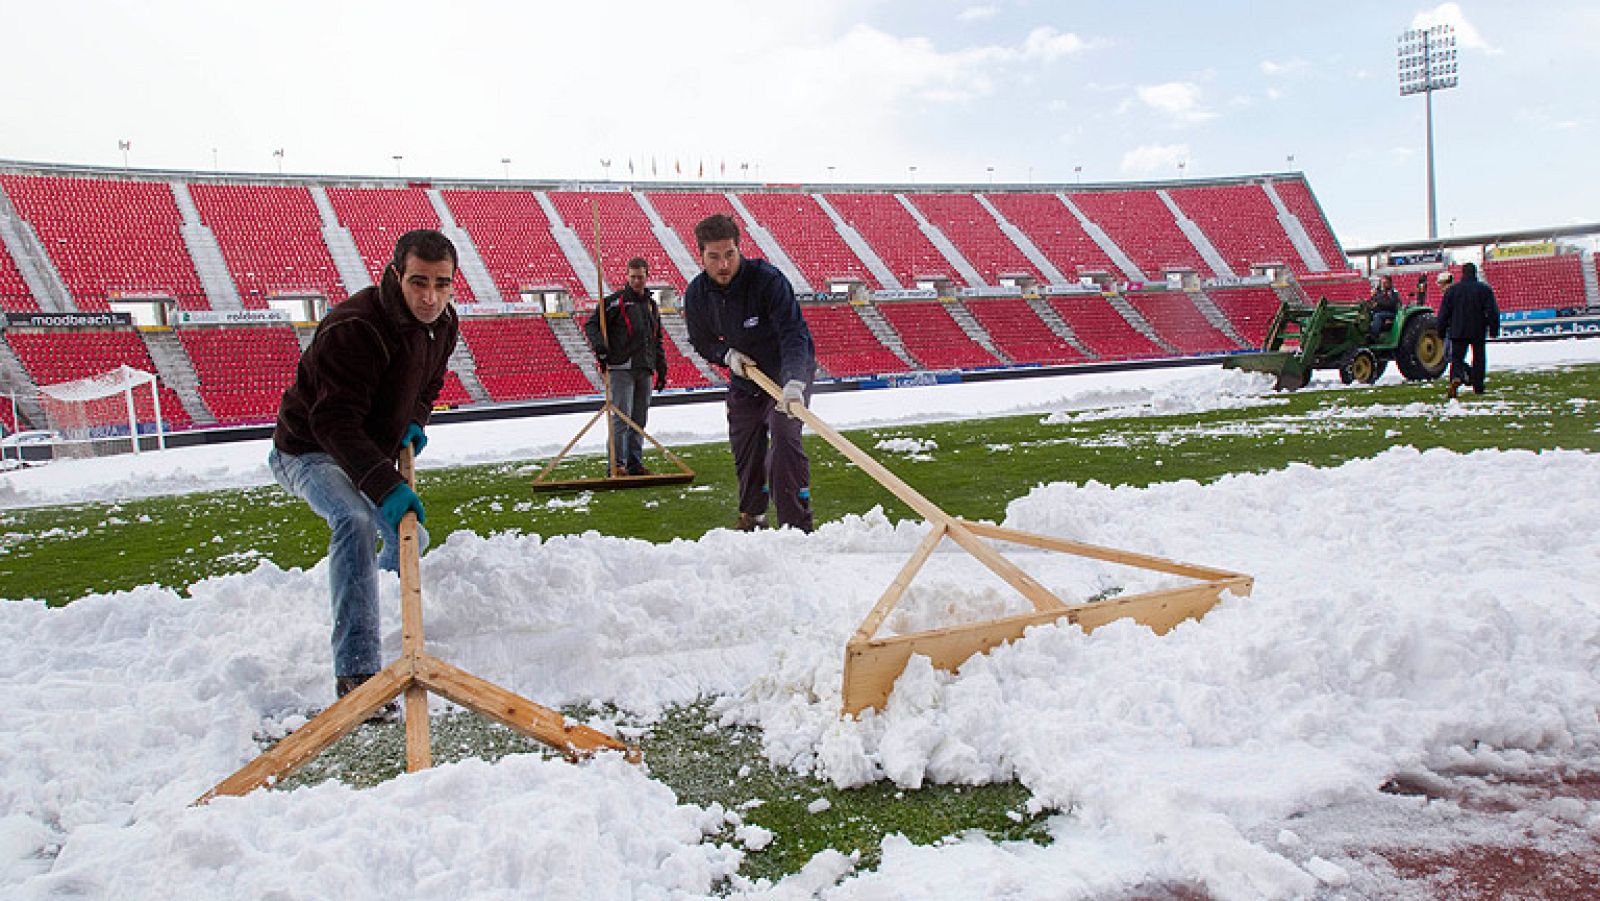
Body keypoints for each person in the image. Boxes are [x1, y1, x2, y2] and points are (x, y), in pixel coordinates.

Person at [268, 229, 460, 715]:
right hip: (309, 450)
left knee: (408, 538)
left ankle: (367, 592)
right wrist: (384, 483)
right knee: (353, 520)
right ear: (396, 274)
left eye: (441, 284)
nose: (429, 297)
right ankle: (356, 673)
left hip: (368, 449)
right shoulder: (354, 328)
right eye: (419, 282)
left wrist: (415, 419)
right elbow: (330, 420)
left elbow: (428, 382)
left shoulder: (444, 324)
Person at [683, 213, 817, 532]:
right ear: (700, 255)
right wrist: (725, 355)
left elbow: (794, 333)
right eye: (714, 257)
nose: (724, 265)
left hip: (787, 377)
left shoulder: (767, 280)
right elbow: (701, 340)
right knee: (746, 448)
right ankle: (753, 516)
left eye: (730, 254)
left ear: (739, 248)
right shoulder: (697, 295)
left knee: (784, 441)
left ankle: (796, 526)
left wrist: (795, 382)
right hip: (745, 380)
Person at [584, 257, 669, 476]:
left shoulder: (651, 305)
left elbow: (656, 339)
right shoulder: (615, 301)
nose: (636, 281)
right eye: (632, 277)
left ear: (646, 276)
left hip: (645, 367)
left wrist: (661, 368)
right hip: (621, 367)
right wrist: (601, 349)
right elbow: (592, 324)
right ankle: (616, 464)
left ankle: (634, 463)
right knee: (621, 417)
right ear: (627, 276)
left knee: (639, 419)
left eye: (640, 277)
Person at [1436, 261, 1499, 399]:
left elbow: (1444, 313)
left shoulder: (1452, 291)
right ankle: (1478, 385)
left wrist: (1440, 330)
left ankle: (1456, 377)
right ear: (1475, 273)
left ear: (1462, 273)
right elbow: (1492, 311)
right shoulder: (1484, 289)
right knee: (1479, 357)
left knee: (1457, 358)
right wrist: (1494, 329)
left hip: (1458, 329)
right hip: (1478, 329)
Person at [1367, 274, 1401, 341]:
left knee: (1377, 316)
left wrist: (1378, 303)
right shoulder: (1379, 291)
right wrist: (1373, 297)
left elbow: (1391, 304)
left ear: (1390, 283)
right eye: (1382, 283)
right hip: (1380, 311)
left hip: (1390, 312)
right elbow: (1374, 300)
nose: (1383, 285)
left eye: (1385, 283)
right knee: (1367, 315)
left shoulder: (1393, 292)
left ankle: (1374, 336)